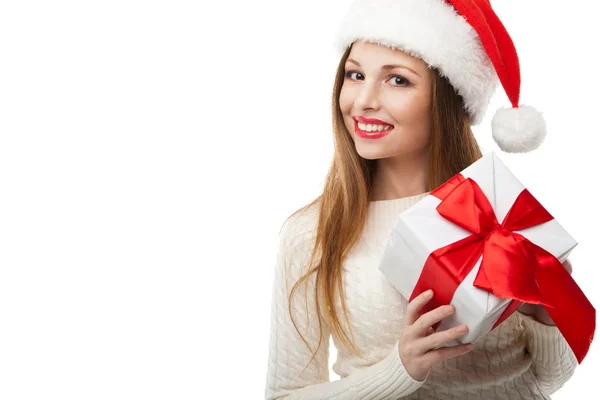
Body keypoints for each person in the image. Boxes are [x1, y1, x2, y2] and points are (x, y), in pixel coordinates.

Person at [264, 0, 579, 398]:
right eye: (355, 74)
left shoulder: (500, 211)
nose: (363, 101)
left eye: (397, 80)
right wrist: (402, 368)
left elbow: (547, 380)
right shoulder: (311, 233)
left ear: (446, 99)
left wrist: (545, 312)